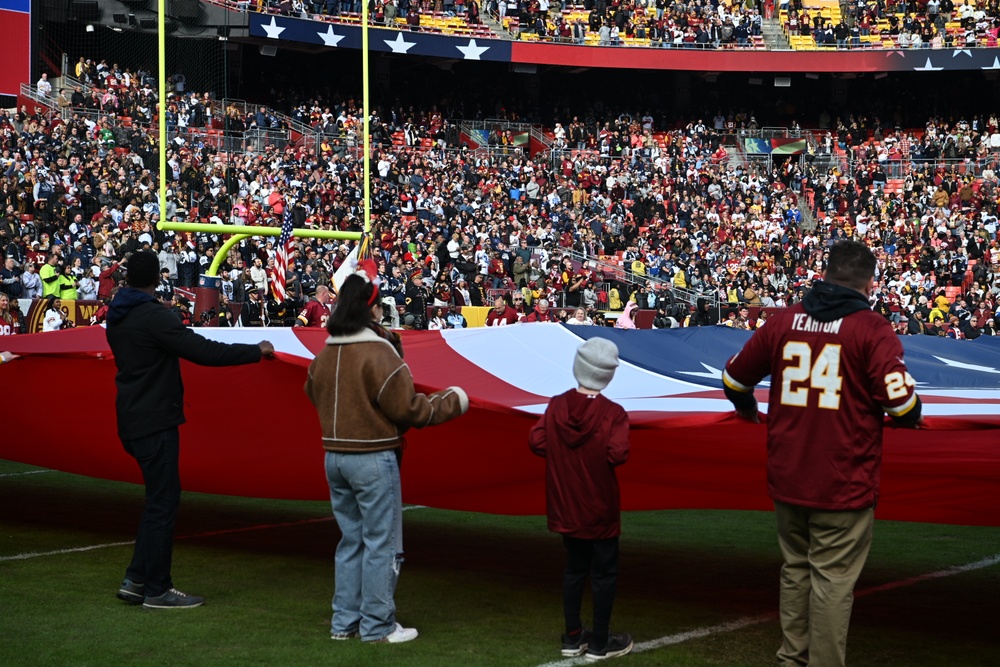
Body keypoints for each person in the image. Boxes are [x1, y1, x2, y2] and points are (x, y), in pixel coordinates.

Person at [722, 241, 922, 667]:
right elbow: (902, 405)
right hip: (843, 479)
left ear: (825, 273)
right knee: (832, 580)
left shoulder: (785, 320)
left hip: (788, 472)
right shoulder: (872, 328)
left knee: (795, 569)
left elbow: (734, 380)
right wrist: (911, 416)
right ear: (871, 283)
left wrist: (748, 411)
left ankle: (792, 658)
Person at [304, 271, 468, 643]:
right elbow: (407, 409)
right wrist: (452, 400)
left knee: (351, 542)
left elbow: (311, 389)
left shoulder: (326, 352)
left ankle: (344, 623)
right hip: (372, 456)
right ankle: (377, 626)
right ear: (372, 309)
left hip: (334, 455)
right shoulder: (379, 351)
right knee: (381, 543)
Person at [106, 251, 274, 610]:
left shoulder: (118, 313)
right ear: (156, 277)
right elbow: (202, 350)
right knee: (163, 503)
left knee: (157, 501)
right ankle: (157, 588)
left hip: (133, 415)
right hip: (155, 419)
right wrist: (255, 351)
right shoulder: (152, 315)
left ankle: (137, 579)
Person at [529, 337, 633, 661]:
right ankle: (600, 642)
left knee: (574, 570)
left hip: (566, 505)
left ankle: (572, 636)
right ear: (608, 375)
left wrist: (565, 453)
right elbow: (619, 453)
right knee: (604, 575)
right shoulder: (613, 413)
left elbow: (537, 440)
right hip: (599, 508)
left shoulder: (558, 404)